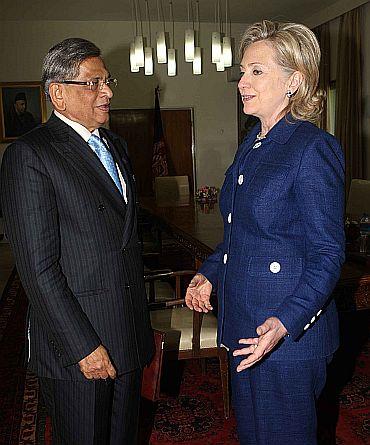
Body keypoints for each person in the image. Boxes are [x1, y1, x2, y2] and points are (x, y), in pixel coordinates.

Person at [185, 20, 344, 445]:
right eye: (242, 71)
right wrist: (209, 273)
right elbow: (242, 235)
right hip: (247, 323)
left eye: (257, 71)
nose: (242, 82)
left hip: (287, 335)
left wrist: (285, 322)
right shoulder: (253, 143)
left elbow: (328, 254)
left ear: (294, 81)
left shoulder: (312, 147)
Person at [0, 38, 154, 444]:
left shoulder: (116, 146)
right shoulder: (30, 155)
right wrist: (84, 347)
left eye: (107, 81)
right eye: (94, 83)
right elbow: (38, 269)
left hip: (127, 334)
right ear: (58, 94)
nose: (108, 92)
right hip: (79, 345)